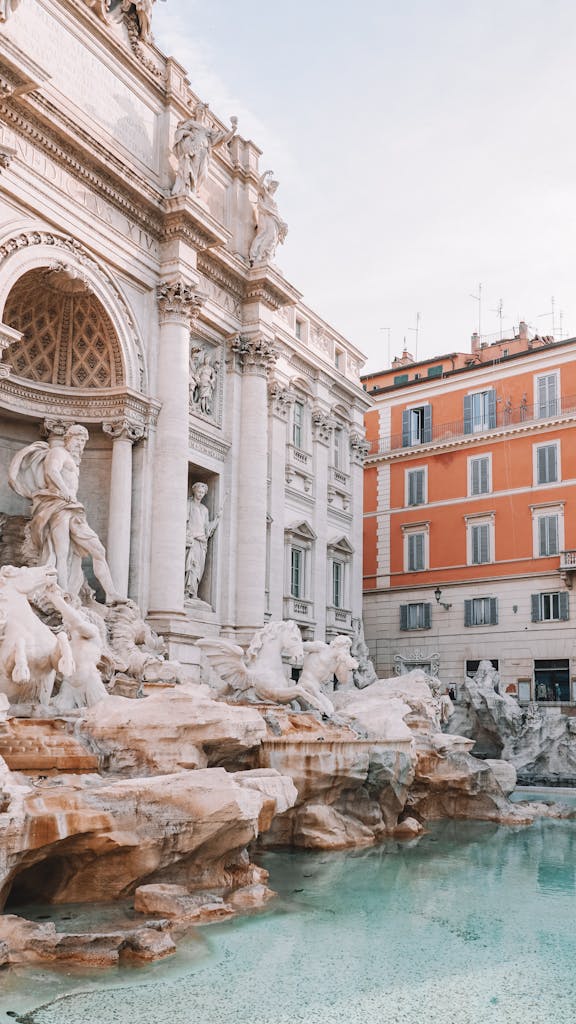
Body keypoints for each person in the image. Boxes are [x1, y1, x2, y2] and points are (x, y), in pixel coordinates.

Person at [8, 424, 121, 604]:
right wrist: (63, 490)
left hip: (72, 508)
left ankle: (111, 594)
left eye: (83, 441)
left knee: (98, 549)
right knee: (62, 551)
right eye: (78, 440)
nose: (80, 445)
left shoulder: (73, 460)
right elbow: (51, 471)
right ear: (68, 438)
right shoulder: (58, 452)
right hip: (58, 504)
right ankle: (62, 593)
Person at [172, 104, 237, 197]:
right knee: (192, 170)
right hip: (194, 150)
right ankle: (190, 188)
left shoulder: (208, 130)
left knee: (204, 174)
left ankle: (194, 190)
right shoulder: (191, 123)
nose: (201, 112)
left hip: (205, 152)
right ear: (195, 112)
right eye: (199, 110)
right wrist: (189, 133)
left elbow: (224, 139)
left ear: (205, 113)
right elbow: (179, 132)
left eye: (203, 110)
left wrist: (233, 130)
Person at [184, 482, 221, 599]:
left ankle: (193, 592)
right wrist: (189, 535)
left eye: (203, 493)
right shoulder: (188, 504)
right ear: (194, 491)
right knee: (191, 566)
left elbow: (207, 529)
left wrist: (217, 519)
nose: (200, 494)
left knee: (199, 568)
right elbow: (184, 522)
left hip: (202, 543)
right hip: (192, 540)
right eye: (199, 492)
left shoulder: (205, 509)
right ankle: (186, 591)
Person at [249, 170, 288, 265]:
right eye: (273, 185)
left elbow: (275, 212)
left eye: (276, 186)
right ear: (269, 185)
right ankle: (258, 256)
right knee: (269, 235)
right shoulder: (265, 193)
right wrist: (265, 174)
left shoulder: (272, 198)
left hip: (274, 220)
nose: (275, 188)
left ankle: (265, 256)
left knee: (273, 237)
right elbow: (258, 185)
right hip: (268, 218)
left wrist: (282, 223)